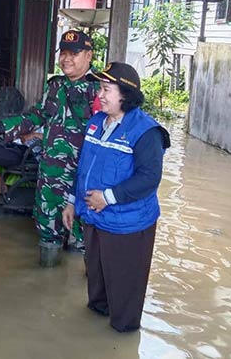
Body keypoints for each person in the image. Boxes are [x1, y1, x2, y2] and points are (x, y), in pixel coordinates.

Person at [62, 62, 170, 332]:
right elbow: (83, 165)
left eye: (106, 89)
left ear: (126, 94)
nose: (100, 94)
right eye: (100, 87)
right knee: (97, 282)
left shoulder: (146, 131)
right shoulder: (97, 122)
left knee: (124, 292)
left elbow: (149, 178)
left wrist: (108, 197)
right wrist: (72, 201)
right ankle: (95, 326)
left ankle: (122, 336)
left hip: (128, 225)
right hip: (94, 217)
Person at [0, 30, 99, 256]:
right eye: (63, 53)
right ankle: (49, 280)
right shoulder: (55, 85)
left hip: (81, 177)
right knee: (47, 226)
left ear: (89, 55)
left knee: (82, 235)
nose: (67, 59)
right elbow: (38, 116)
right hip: (50, 173)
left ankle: (75, 286)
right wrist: (4, 126)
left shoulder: (99, 90)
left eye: (74, 53)